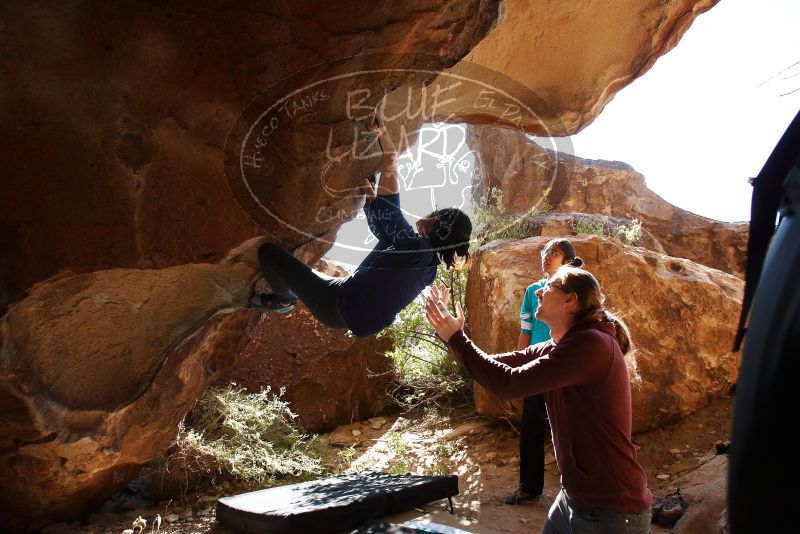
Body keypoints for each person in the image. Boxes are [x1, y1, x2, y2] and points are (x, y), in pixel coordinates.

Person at [426, 267, 652, 533]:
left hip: (611, 509)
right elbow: (497, 366)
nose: (539, 290)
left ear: (570, 299)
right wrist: (452, 336)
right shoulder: (560, 344)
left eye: (549, 285)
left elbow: (508, 383)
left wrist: (457, 339)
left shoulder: (592, 344)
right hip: (574, 499)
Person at [250, 110, 472, 338]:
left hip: (336, 303)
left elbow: (390, 213)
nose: (429, 212)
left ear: (435, 221)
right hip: (345, 300)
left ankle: (283, 301)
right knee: (297, 270)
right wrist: (369, 195)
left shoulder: (417, 251)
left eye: (434, 211)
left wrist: (387, 147)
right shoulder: (427, 268)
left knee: (268, 254)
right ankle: (288, 294)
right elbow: (383, 231)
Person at [506, 239, 583, 505]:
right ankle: (529, 489)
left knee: (572, 430)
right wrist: (518, 371)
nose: (547, 256)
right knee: (531, 429)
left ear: (568, 261)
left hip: (566, 368)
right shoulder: (532, 291)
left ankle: (578, 492)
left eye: (555, 252)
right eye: (545, 252)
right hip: (538, 369)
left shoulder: (576, 291)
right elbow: (525, 331)